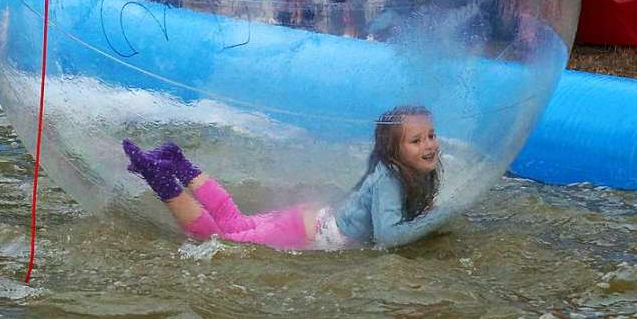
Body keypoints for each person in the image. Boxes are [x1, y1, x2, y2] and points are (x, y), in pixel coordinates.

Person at [122, 105, 443, 250]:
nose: (428, 145)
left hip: (305, 220)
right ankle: (159, 178)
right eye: (416, 141)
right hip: (304, 234)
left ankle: (177, 162)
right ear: (393, 150)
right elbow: (389, 237)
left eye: (430, 135)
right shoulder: (390, 176)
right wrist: (434, 221)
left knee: (233, 222)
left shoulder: (401, 173)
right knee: (216, 239)